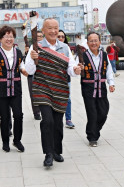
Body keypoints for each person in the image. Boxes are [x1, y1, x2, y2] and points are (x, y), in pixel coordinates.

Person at [25, 18, 82, 167]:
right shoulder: (36, 47)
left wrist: (75, 70)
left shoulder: (65, 47)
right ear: (43, 31)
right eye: (49, 28)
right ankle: (48, 154)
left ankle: (57, 151)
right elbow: (29, 70)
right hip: (42, 89)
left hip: (60, 90)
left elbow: (71, 68)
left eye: (56, 28)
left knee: (57, 123)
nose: (53, 31)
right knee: (48, 121)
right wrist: (32, 59)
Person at [0, 26, 27, 152]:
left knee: (18, 115)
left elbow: (21, 66)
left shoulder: (18, 52)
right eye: (6, 36)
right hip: (0, 89)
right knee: (4, 117)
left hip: (16, 89)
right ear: (1, 38)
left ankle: (17, 140)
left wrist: (26, 71)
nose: (9, 39)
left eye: (11, 36)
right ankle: (5, 142)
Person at [81, 32, 115, 147]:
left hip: (102, 88)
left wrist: (111, 83)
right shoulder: (82, 56)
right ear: (87, 43)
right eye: (91, 41)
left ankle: (94, 130)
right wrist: (77, 69)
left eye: (96, 40)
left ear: (100, 42)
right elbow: (75, 69)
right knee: (92, 114)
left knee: (103, 112)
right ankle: (92, 137)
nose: (93, 43)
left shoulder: (104, 55)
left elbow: (109, 70)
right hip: (88, 89)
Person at [58, 29, 75, 129]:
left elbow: (71, 64)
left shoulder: (67, 49)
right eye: (59, 36)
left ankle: (68, 119)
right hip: (54, 79)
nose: (60, 38)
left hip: (65, 79)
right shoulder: (50, 48)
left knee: (67, 99)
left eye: (62, 37)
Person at [26, 31, 43, 121]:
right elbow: (27, 62)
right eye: (37, 36)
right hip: (32, 74)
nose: (39, 38)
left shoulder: (45, 47)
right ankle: (36, 112)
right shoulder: (32, 47)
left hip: (42, 75)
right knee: (33, 94)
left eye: (41, 36)